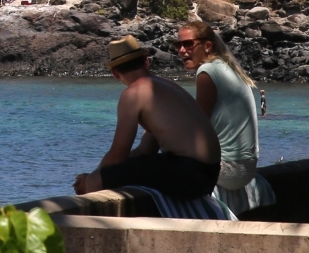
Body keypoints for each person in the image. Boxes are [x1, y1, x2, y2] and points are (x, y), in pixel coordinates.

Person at [72, 36, 231, 218]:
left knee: (96, 181)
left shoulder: (133, 94)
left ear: (115, 73)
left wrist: (93, 177)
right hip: (209, 174)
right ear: (146, 61)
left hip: (188, 174)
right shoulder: (166, 86)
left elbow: (118, 154)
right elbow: (146, 150)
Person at [178, 19, 276, 215]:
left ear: (207, 46)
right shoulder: (226, 67)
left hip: (228, 170)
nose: (181, 50)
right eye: (177, 45)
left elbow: (197, 126)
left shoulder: (207, 71)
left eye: (188, 44)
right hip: (246, 168)